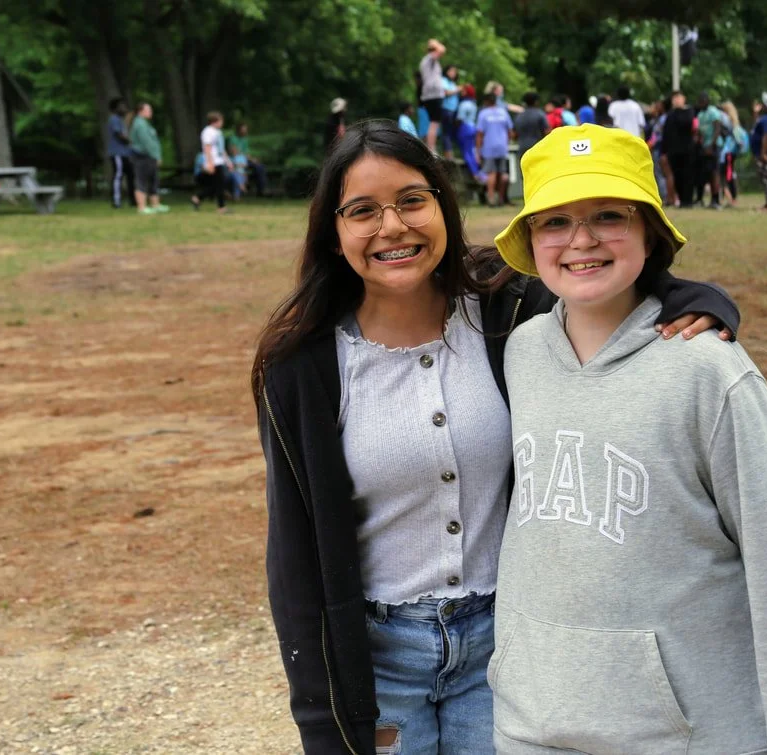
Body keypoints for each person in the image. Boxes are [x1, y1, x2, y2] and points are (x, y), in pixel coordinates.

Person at [252, 120, 741, 755]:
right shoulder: (302, 365)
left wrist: (695, 297)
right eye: (362, 211)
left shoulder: (505, 311)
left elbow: (595, 274)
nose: (392, 227)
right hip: (378, 661)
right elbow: (293, 553)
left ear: (443, 207)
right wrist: (322, 719)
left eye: (411, 200)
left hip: (503, 645)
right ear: (333, 232)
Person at [489, 122, 767, 754]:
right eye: (554, 221)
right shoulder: (520, 352)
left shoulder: (709, 372)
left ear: (651, 231)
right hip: (531, 728)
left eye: (608, 215)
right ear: (530, 238)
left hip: (687, 735)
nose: (582, 240)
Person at [127, 102, 168, 215]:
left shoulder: (144, 123)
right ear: (141, 111)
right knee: (142, 180)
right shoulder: (139, 124)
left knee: (153, 179)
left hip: (149, 157)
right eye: (148, 110)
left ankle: (155, 204)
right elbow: (147, 143)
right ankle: (142, 207)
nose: (150, 112)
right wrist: (156, 156)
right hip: (143, 157)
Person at [476, 92, 514, 206]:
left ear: (486, 102)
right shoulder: (504, 112)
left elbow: (480, 133)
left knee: (491, 173)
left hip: (489, 147)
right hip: (502, 147)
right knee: (502, 173)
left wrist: (478, 150)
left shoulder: (483, 114)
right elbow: (510, 131)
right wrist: (506, 143)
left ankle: (491, 198)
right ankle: (501, 198)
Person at [192, 111, 232, 214]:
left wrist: (228, 161)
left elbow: (221, 149)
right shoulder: (208, 132)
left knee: (216, 185)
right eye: (221, 121)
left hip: (219, 161)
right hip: (213, 161)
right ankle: (221, 207)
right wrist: (210, 163)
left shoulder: (218, 132)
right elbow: (207, 148)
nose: (222, 123)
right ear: (215, 121)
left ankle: (197, 198)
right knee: (219, 185)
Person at [661, 90, 695, 208]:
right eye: (675, 99)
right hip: (673, 150)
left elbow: (686, 124)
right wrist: (663, 151)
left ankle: (688, 200)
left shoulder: (688, 112)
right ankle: (680, 199)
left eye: (679, 98)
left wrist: (679, 110)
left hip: (687, 149)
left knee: (687, 175)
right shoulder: (670, 115)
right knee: (677, 175)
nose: (676, 100)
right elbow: (665, 134)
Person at [694, 91, 726, 209]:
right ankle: (701, 199)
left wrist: (711, 145)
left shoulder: (713, 112)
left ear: (707, 101)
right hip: (704, 147)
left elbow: (717, 128)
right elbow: (700, 131)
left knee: (714, 173)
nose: (701, 104)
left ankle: (716, 199)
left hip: (714, 146)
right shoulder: (700, 114)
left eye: (702, 101)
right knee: (705, 173)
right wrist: (700, 142)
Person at [419, 39, 447, 153]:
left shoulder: (426, 61)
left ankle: (431, 147)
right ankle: (432, 148)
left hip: (429, 95)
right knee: (434, 123)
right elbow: (442, 49)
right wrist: (434, 43)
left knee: (433, 122)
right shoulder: (429, 59)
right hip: (434, 95)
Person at [719, 100, 747, 207]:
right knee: (727, 175)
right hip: (729, 152)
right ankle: (729, 198)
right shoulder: (734, 123)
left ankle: (732, 199)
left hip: (728, 152)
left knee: (728, 175)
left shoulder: (727, 121)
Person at [107, 97, 134, 209]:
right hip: (117, 153)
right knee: (118, 176)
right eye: (121, 106)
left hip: (126, 153)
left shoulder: (121, 121)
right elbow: (120, 136)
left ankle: (133, 200)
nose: (124, 108)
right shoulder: (114, 119)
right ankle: (116, 200)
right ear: (115, 108)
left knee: (131, 176)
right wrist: (131, 141)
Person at [454, 84, 485, 183]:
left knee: (466, 153)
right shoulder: (473, 104)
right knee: (471, 151)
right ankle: (479, 172)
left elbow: (460, 119)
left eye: (463, 91)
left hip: (464, 128)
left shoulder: (463, 104)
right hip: (472, 127)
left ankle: (476, 174)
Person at [228, 122, 268, 196]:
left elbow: (246, 153)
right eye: (243, 130)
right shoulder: (233, 138)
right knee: (241, 169)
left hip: (245, 159)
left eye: (246, 130)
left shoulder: (245, 139)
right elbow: (234, 152)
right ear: (238, 130)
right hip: (236, 161)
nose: (245, 131)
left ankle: (261, 191)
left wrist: (252, 159)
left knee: (260, 167)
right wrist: (244, 155)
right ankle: (242, 189)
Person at [513, 91, 549, 160]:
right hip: (537, 147)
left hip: (522, 148)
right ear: (536, 102)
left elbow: (514, 134)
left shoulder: (519, 116)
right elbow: (546, 131)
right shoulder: (540, 114)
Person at [440, 64, 461, 158]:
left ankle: (451, 154)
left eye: (454, 71)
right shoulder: (443, 80)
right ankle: (449, 156)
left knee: (450, 133)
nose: (453, 73)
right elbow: (446, 93)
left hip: (453, 110)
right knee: (446, 134)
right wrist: (458, 90)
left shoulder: (452, 83)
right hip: (446, 109)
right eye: (451, 71)